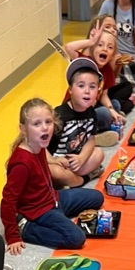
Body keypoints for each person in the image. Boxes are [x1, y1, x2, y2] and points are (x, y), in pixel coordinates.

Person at [0, 98, 104, 253]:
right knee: (77, 238)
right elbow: (8, 200)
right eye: (37, 124)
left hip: (53, 198)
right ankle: (27, 229)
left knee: (97, 197)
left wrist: (56, 160)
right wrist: (12, 235)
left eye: (48, 122)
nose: (45, 128)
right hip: (38, 210)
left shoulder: (39, 145)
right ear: (23, 129)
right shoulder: (22, 163)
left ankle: (59, 215)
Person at [64, 17, 131, 133]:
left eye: (110, 47)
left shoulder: (107, 69)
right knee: (105, 113)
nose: (105, 49)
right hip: (74, 112)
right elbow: (69, 47)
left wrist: (111, 110)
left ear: (112, 54)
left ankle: (100, 126)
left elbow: (104, 95)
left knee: (114, 105)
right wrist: (91, 41)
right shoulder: (85, 62)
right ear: (92, 48)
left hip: (91, 107)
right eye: (100, 45)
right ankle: (93, 134)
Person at [48, 58, 105, 189]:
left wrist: (82, 158)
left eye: (92, 86)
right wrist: (55, 161)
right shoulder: (59, 115)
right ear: (70, 90)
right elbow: (40, 148)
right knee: (55, 173)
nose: (87, 91)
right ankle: (83, 179)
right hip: (56, 162)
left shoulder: (91, 112)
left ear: (97, 91)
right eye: (81, 85)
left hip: (75, 161)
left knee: (99, 154)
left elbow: (90, 140)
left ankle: (69, 180)